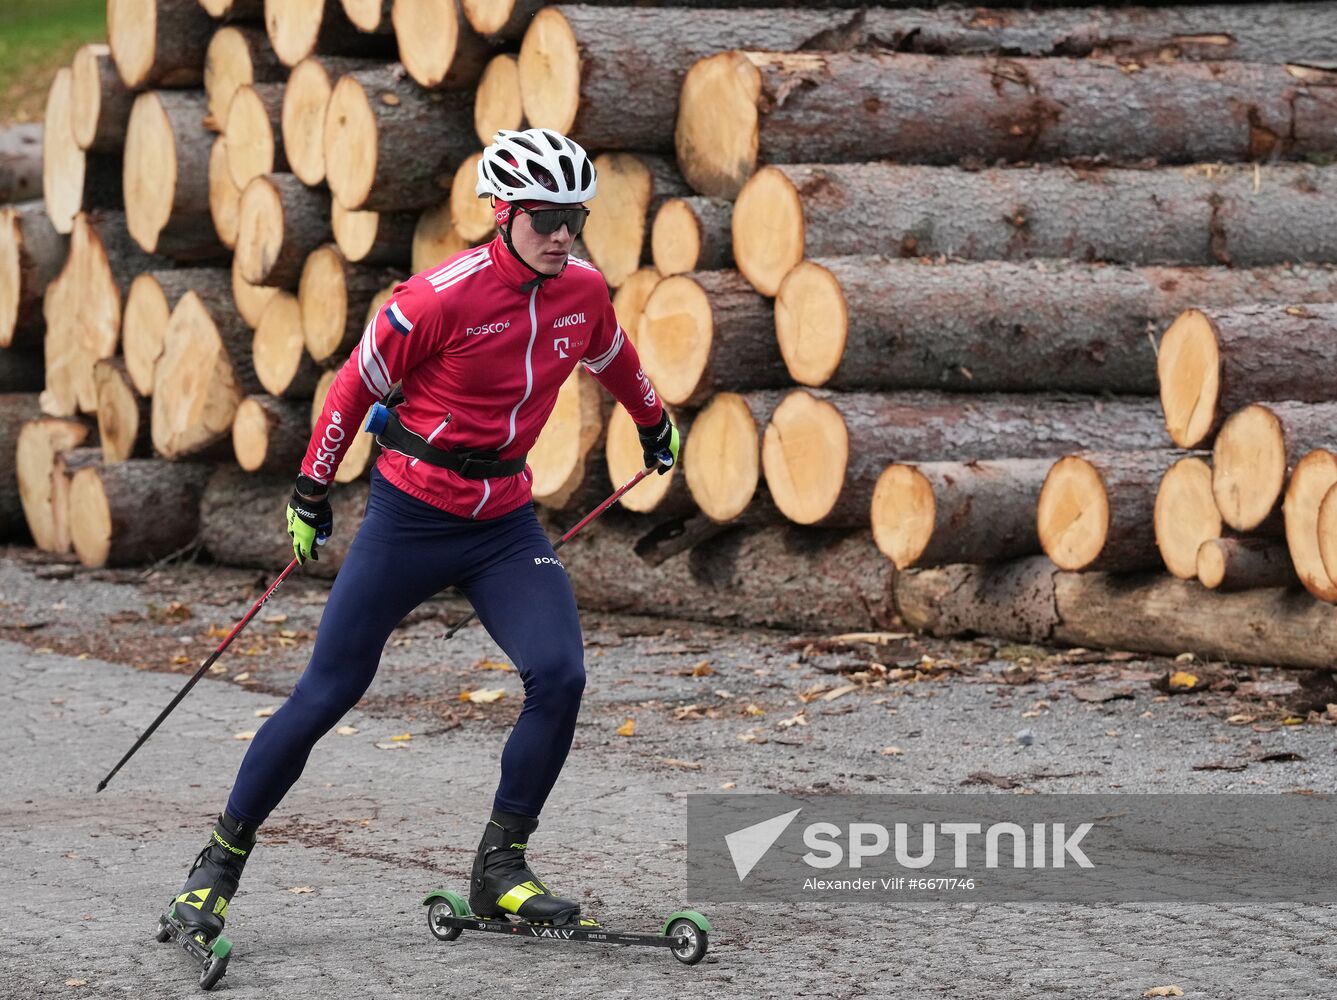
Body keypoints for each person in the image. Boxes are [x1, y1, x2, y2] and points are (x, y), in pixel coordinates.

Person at [166, 128, 681, 941]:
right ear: (503, 210)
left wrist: (654, 419)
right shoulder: (436, 298)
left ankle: (500, 869)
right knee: (328, 691)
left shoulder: (580, 288)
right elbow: (349, 392)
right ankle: (216, 865)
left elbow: (611, 352)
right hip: (410, 518)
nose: (562, 233)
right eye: (546, 215)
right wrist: (308, 492)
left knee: (560, 673)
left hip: (504, 520)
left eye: (575, 216)